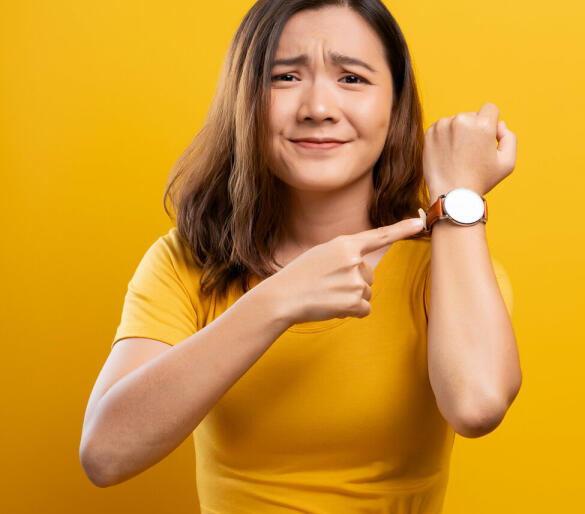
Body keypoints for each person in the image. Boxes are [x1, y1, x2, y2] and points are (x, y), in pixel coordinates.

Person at [78, 1, 521, 511]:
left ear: (395, 105)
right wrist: (281, 298)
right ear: (246, 99)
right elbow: (105, 454)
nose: (317, 107)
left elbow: (478, 405)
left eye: (351, 79)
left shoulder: (446, 267)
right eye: (286, 77)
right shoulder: (187, 261)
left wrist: (460, 195)